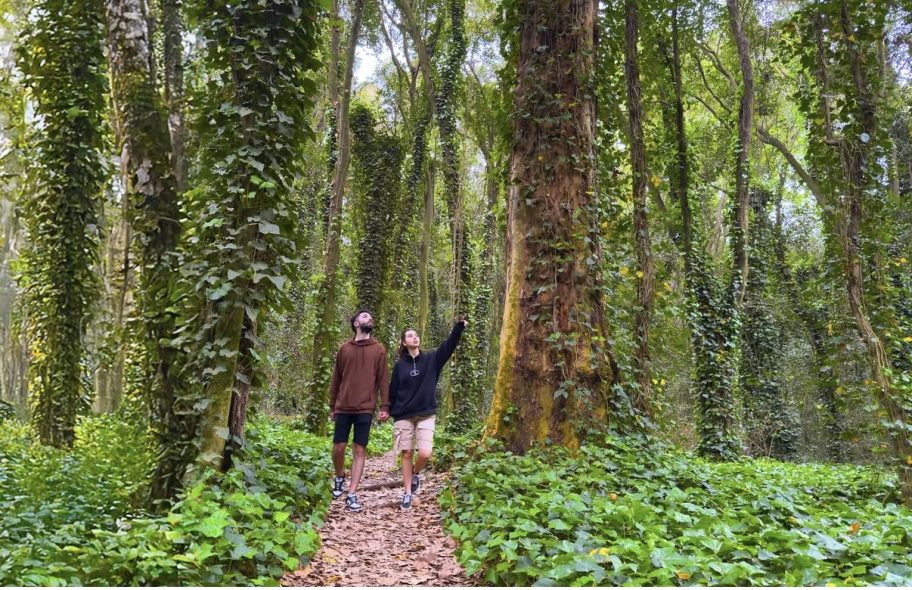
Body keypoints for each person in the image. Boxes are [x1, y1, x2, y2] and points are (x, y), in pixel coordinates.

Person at [389, 317, 467, 510]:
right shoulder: (399, 366)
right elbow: (393, 390)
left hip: (426, 413)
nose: (414, 338)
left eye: (416, 335)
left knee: (425, 453)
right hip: (404, 415)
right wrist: (389, 410)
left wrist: (458, 329)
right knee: (406, 453)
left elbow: (448, 347)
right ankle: (407, 493)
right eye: (409, 336)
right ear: (403, 342)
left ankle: (415, 473)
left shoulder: (431, 360)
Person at [328, 309, 390, 512]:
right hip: (343, 405)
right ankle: (339, 477)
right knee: (339, 447)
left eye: (370, 317)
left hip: (365, 407)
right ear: (355, 323)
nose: (369, 318)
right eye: (364, 316)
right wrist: (332, 406)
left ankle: (352, 493)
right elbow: (336, 378)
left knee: (359, 449)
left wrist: (384, 406)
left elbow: (383, 379)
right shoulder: (344, 349)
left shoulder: (378, 349)